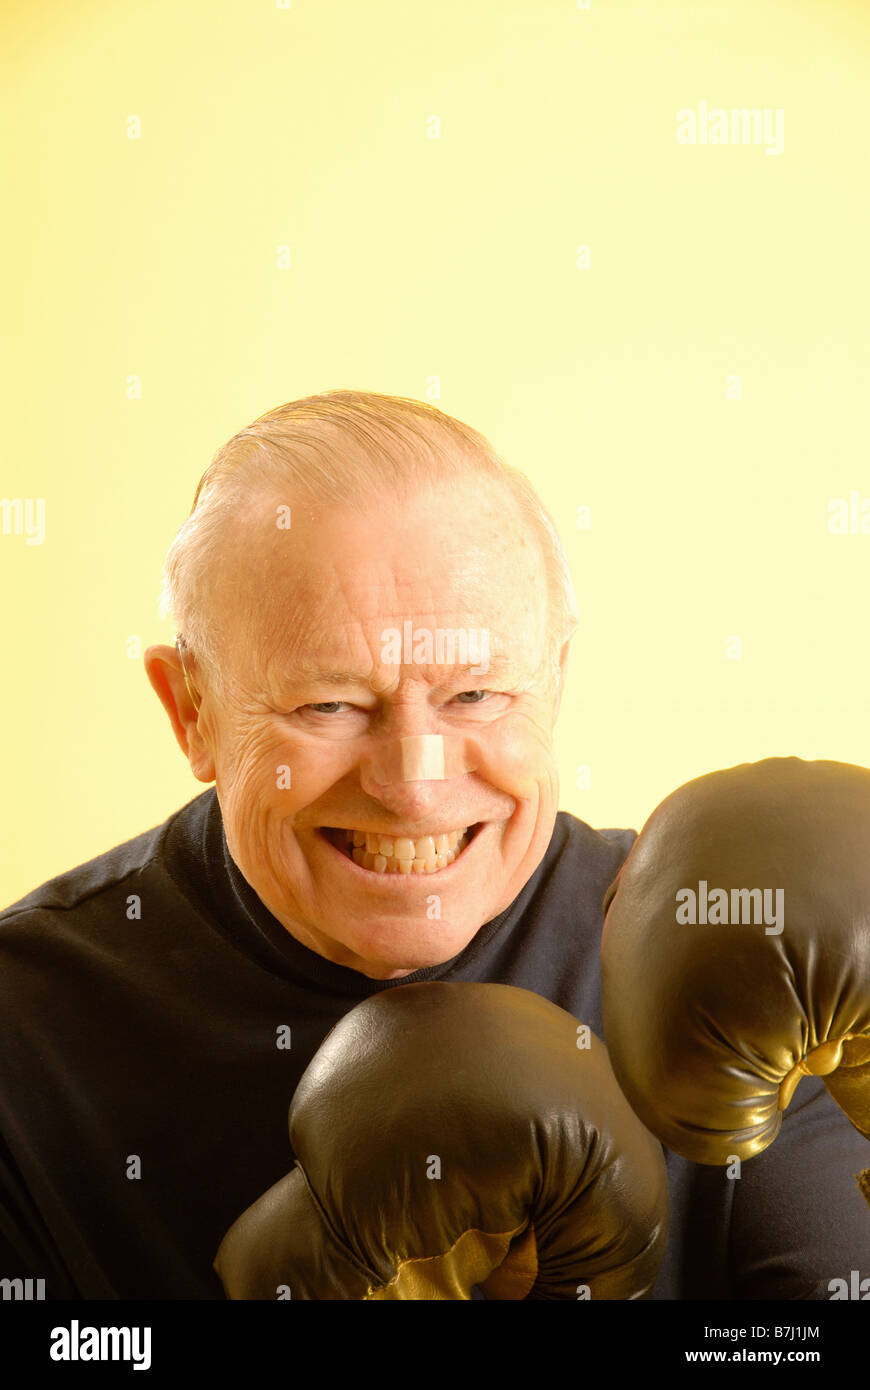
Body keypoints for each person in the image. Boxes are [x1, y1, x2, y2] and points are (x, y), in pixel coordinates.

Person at [0, 390, 867, 1299]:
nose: (413, 783)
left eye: (477, 695)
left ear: (555, 679)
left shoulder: (743, 956)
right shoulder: (23, 1036)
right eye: (328, 705)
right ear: (194, 712)